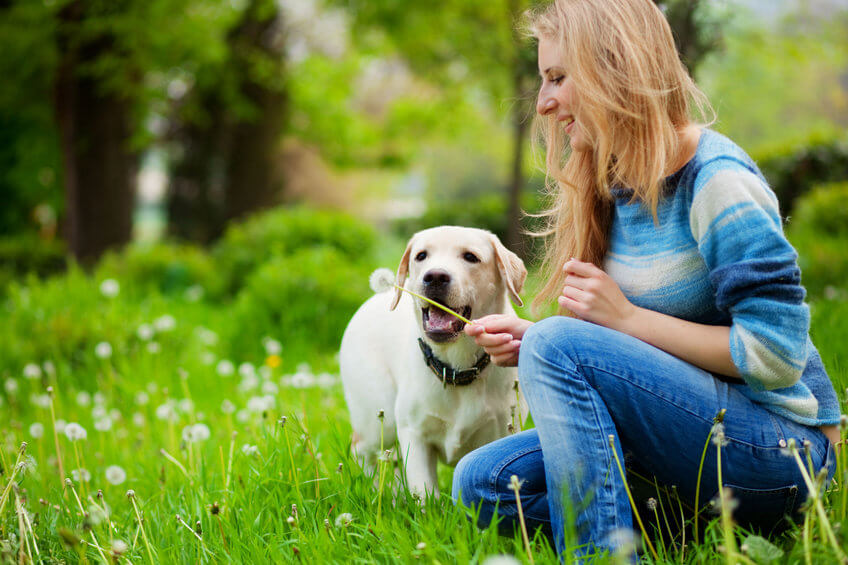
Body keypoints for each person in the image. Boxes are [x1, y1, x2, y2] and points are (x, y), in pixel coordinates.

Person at [450, 0, 841, 560]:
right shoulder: (614, 186)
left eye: (559, 77)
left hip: (783, 454)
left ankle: (604, 554)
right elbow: (633, 357)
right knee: (483, 481)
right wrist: (533, 341)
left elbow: (776, 355)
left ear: (615, 67)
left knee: (557, 344)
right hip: (691, 438)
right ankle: (666, 521)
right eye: (544, 80)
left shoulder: (716, 184)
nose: (544, 102)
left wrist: (624, 322)